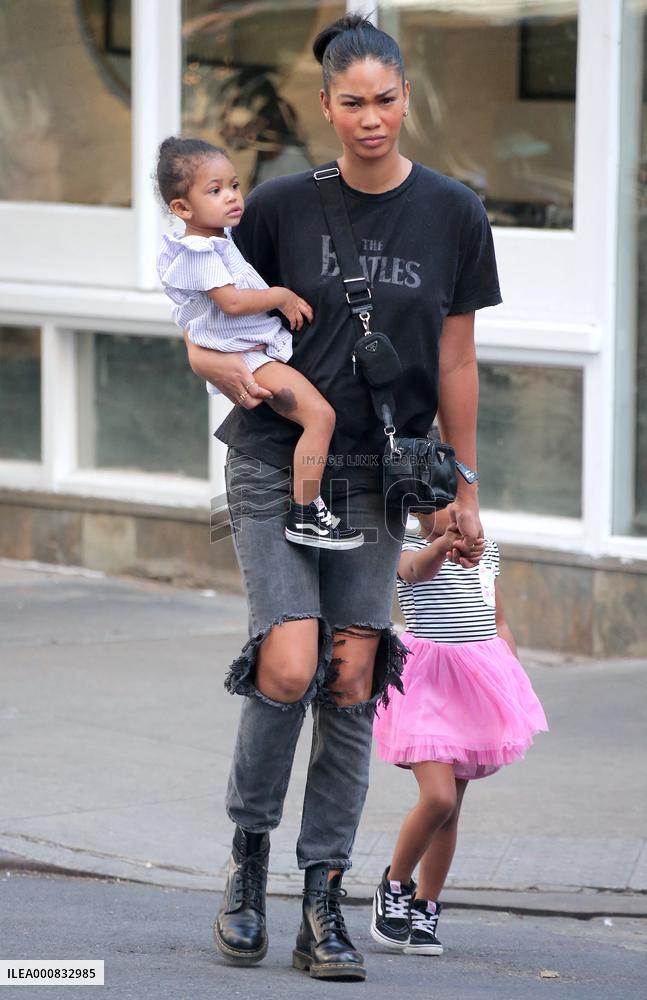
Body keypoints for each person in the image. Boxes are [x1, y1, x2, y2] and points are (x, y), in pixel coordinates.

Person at [183, 13, 501, 982]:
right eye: (351, 103)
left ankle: (324, 894)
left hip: (377, 476)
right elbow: (204, 335)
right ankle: (247, 862)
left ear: (406, 98)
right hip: (277, 461)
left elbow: (454, 357)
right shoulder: (276, 207)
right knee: (288, 663)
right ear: (325, 105)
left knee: (353, 676)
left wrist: (461, 482)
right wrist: (277, 390)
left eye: (386, 101)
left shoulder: (452, 212)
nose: (370, 119)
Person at [155, 136, 363, 550]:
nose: (232, 197)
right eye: (215, 191)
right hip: (248, 357)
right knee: (320, 417)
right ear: (182, 208)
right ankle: (305, 512)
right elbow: (231, 302)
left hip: (251, 351)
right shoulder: (197, 250)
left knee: (317, 415)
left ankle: (308, 507)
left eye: (234, 185)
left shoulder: (217, 238)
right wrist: (281, 297)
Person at [371, 506, 548, 956]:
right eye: (434, 502)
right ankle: (394, 886)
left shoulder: (485, 554)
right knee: (438, 797)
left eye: (455, 500)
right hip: (427, 686)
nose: (450, 511)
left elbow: (497, 619)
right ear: (413, 507)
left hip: (476, 689)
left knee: (451, 810)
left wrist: (509, 669)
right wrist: (444, 543)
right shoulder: (405, 546)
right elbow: (416, 570)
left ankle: (426, 907)